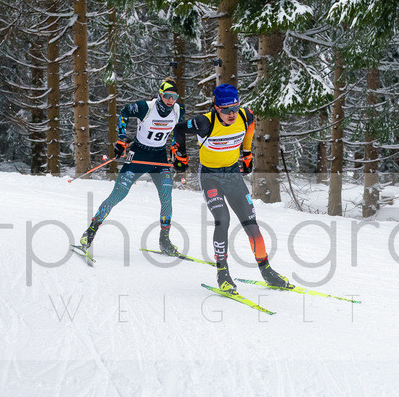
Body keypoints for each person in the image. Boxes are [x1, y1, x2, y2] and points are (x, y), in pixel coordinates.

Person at [171, 83, 290, 292]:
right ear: (217, 108)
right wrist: (180, 154)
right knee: (222, 219)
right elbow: (179, 129)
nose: (232, 114)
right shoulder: (204, 122)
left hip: (232, 175)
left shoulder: (245, 116)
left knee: (251, 223)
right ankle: (223, 273)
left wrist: (247, 153)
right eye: (226, 110)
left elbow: (250, 126)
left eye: (235, 107)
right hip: (210, 177)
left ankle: (267, 271)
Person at [79, 79, 184, 255]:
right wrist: (121, 138)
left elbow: (177, 130)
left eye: (174, 97)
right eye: (167, 95)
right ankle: (90, 231)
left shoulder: (178, 110)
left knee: (166, 197)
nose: (170, 100)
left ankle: (164, 240)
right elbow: (124, 112)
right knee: (118, 194)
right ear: (160, 94)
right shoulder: (145, 107)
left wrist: (176, 147)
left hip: (158, 158)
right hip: (138, 155)